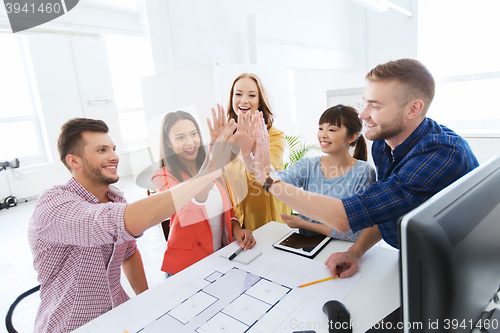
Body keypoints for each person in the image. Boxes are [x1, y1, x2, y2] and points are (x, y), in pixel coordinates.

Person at [251, 58, 479, 278]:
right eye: (365, 102)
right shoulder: (383, 143)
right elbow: (384, 209)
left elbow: (345, 218)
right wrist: (355, 252)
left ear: (413, 109)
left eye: (375, 106)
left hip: (453, 266)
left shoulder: (442, 153)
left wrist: (267, 179)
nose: (362, 114)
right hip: (412, 254)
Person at [28, 116, 237, 333]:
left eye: (113, 149)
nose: (114, 157)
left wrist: (146, 300)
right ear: (74, 161)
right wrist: (212, 167)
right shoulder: (53, 204)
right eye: (102, 150)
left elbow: (128, 253)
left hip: (118, 314)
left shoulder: (116, 199)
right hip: (71, 326)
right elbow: (116, 222)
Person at [151, 111, 256, 275]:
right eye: (180, 137)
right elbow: (188, 209)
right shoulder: (162, 176)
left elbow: (229, 210)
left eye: (193, 134)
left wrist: (237, 229)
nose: (190, 142)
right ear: (168, 142)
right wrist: (214, 162)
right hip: (187, 268)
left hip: (220, 258)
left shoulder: (215, 168)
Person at [278, 105, 376, 240]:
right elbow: (274, 182)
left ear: (352, 137)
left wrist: (305, 224)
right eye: (320, 128)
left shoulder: (364, 173)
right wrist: (251, 158)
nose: (323, 135)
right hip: (307, 243)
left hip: (344, 249)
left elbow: (357, 233)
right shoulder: (308, 165)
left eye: (331, 129)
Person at [208, 73, 289, 231]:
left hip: (267, 222)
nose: (243, 100)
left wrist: (246, 153)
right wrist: (215, 149)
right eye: (238, 94)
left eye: (251, 95)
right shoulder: (226, 135)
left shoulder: (274, 136)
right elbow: (216, 179)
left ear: (259, 101)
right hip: (237, 224)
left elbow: (265, 177)